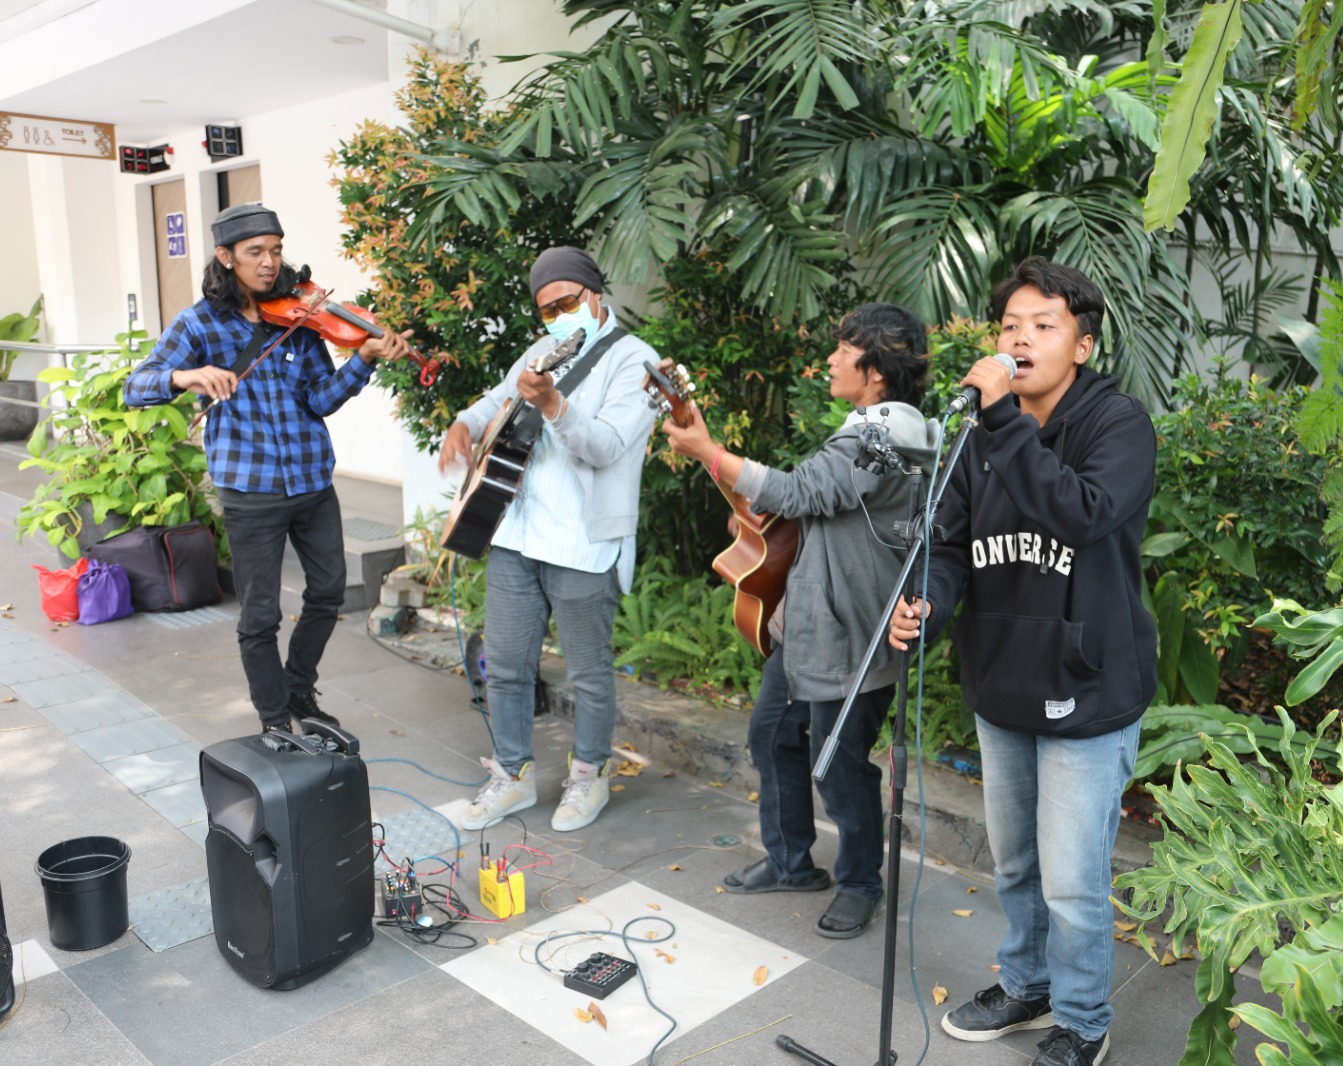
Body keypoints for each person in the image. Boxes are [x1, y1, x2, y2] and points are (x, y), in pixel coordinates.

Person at [887, 258, 1157, 1066]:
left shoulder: (1118, 425)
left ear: (1082, 344)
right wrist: (927, 604)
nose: (1022, 339)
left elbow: (1082, 514)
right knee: (1017, 864)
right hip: (1002, 683)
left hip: (1088, 688)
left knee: (1073, 879)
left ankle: (1081, 1019)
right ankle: (1028, 983)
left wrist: (1003, 422)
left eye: (1044, 325)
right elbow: (948, 545)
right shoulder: (978, 437)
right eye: (1010, 326)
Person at [662, 303, 934, 939]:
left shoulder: (886, 436)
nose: (831, 360)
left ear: (877, 371)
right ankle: (790, 861)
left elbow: (803, 491)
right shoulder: (866, 427)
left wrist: (708, 449)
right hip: (808, 624)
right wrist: (732, 481)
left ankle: (861, 883)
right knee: (772, 738)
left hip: (854, 637)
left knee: (840, 767)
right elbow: (807, 503)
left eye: (844, 350)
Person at [124, 203, 411, 734]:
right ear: (225, 256)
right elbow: (135, 386)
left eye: (275, 250)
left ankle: (299, 687)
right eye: (255, 252)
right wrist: (186, 377)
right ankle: (275, 720)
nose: (269, 262)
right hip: (250, 490)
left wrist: (363, 362)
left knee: (328, 590)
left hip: (310, 481)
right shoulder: (199, 323)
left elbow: (319, 400)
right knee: (260, 616)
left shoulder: (300, 316)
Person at [438, 247, 658, 833]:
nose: (558, 316)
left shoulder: (635, 361)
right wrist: (464, 423)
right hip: (518, 532)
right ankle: (511, 776)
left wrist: (555, 405)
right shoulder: (540, 352)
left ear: (594, 293)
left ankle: (589, 776)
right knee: (506, 666)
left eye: (566, 302)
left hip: (585, 544)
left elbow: (607, 446)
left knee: (587, 673)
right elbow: (495, 400)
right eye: (546, 309)